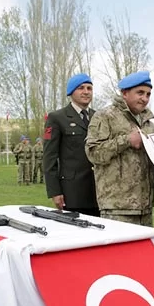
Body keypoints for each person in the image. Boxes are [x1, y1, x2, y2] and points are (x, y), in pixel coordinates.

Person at [85, 71, 154, 226]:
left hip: (145, 207)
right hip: (117, 208)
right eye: (140, 93)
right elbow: (93, 153)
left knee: (144, 251)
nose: (144, 98)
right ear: (125, 93)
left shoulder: (149, 124)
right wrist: (126, 140)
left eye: (148, 94)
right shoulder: (105, 116)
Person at [43, 73, 99, 216]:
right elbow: (49, 157)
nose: (86, 92)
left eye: (89, 88)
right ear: (71, 91)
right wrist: (55, 191)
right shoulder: (57, 118)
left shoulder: (98, 117)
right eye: (81, 88)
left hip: (99, 191)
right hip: (73, 192)